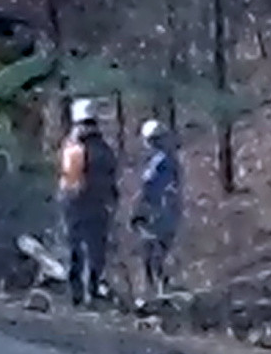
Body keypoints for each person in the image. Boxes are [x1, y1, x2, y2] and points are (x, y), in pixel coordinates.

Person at [57, 98, 119, 306]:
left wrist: (66, 201)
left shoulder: (73, 148)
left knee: (75, 248)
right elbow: (112, 180)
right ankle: (92, 290)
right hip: (100, 206)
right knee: (96, 250)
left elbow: (68, 180)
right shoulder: (106, 149)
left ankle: (77, 293)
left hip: (76, 205)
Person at [131, 119, 182, 298]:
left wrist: (139, 211)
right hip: (169, 211)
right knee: (158, 251)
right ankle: (157, 288)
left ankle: (155, 290)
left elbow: (149, 188)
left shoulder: (159, 162)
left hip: (158, 213)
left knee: (153, 252)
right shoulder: (169, 160)